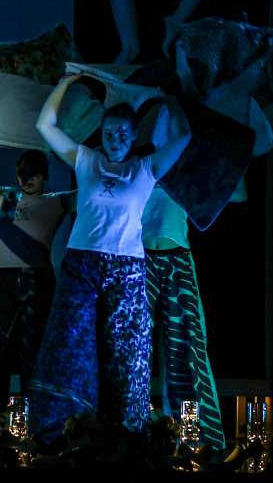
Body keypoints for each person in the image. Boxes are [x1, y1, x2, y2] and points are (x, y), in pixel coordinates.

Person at [28, 74, 191, 442]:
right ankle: (61, 435)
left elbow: (182, 137)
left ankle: (127, 437)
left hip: (126, 267)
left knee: (126, 351)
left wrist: (168, 97)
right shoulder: (86, 160)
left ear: (133, 137)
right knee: (69, 345)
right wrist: (66, 83)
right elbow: (45, 125)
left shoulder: (145, 168)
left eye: (122, 133)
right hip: (81, 265)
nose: (115, 139)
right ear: (100, 134)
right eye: (108, 133)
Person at [0, 147, 76, 425]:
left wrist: (85, 158)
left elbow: (92, 192)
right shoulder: (7, 196)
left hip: (36, 282)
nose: (27, 178)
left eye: (34, 173)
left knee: (34, 354)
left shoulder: (57, 200)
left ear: (45, 176)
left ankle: (41, 427)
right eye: (23, 173)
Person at [142, 185, 224, 450]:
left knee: (186, 348)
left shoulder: (182, 175)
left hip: (177, 257)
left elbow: (237, 193)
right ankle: (129, 434)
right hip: (139, 258)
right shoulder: (137, 168)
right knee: (133, 349)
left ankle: (192, 438)